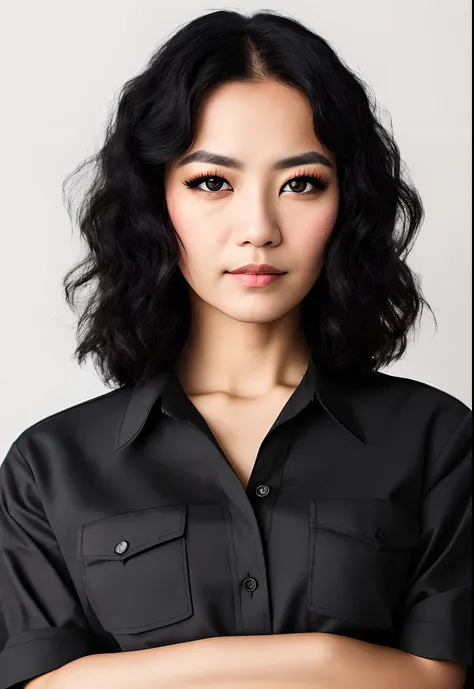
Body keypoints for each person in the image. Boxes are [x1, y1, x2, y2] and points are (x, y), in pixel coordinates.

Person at [0, 8, 471, 689]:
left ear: (348, 202)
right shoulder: (50, 466)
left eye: (301, 183)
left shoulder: (437, 440)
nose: (258, 227)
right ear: (156, 200)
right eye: (211, 182)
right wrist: (336, 661)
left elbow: (436, 678)